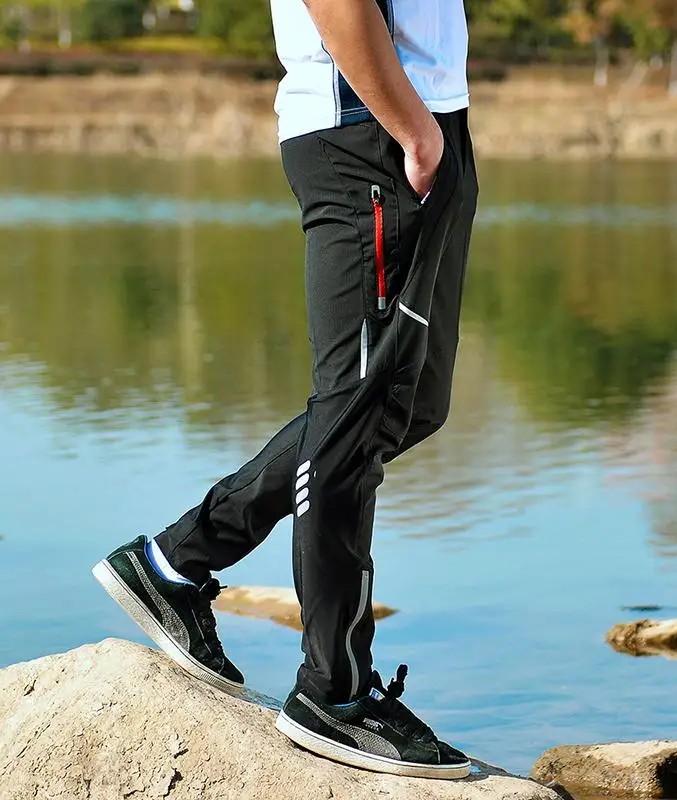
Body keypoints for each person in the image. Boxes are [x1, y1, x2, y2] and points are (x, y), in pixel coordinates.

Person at [92, 0, 478, 780]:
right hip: (372, 129)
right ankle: (334, 693)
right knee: (357, 407)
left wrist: (435, 133)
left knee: (408, 404)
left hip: (428, 123)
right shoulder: (389, 127)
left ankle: (175, 562)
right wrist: (413, 131)